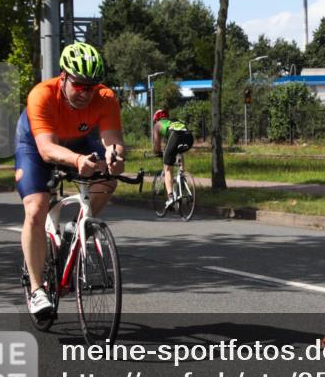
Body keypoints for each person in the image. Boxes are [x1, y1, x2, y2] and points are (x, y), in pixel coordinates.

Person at [15, 42, 125, 318]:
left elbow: (113, 141)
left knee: (109, 180)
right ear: (63, 77)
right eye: (79, 86)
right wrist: (77, 161)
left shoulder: (105, 97)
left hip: (78, 139)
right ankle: (37, 289)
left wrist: (115, 157)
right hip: (37, 143)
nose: (86, 94)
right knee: (36, 207)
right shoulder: (41, 95)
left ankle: (75, 230)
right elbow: (47, 149)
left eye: (92, 86)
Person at [152, 108, 194, 210]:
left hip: (175, 137)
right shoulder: (174, 121)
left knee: (167, 169)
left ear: (156, 119)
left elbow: (157, 147)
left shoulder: (157, 125)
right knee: (179, 151)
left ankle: (170, 197)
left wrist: (157, 152)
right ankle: (181, 174)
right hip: (189, 137)